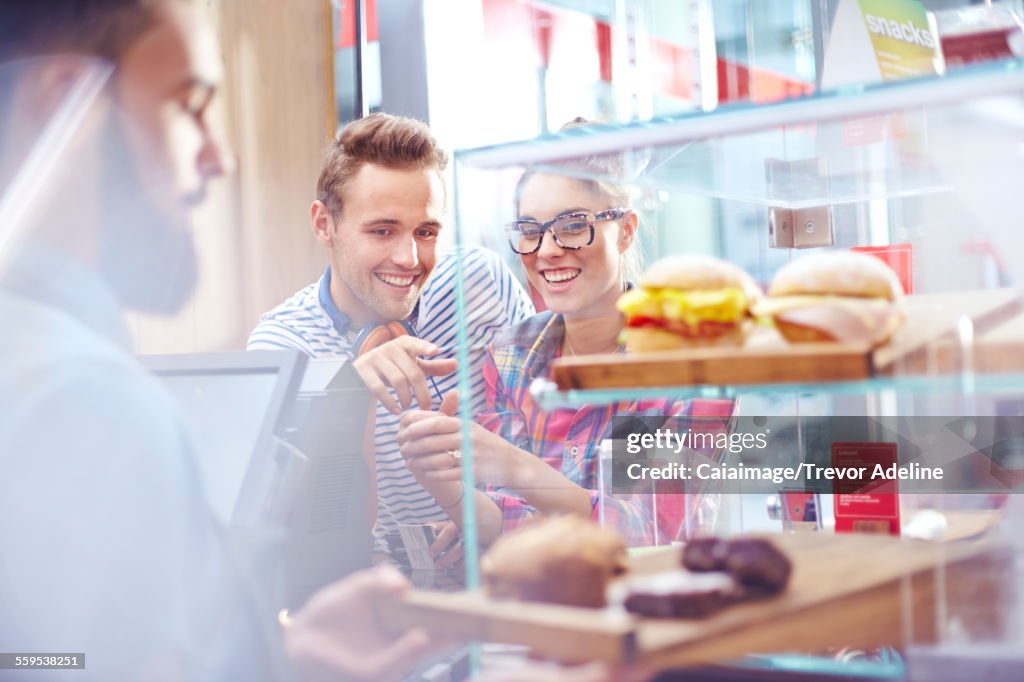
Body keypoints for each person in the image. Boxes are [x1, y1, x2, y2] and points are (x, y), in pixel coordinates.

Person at [0, 2, 430, 680]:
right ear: (65, 108)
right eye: (186, 105)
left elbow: (55, 659)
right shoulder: (83, 397)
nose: (217, 156)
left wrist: (277, 656)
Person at [397, 129, 732, 546]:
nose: (548, 249)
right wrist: (448, 485)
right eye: (530, 229)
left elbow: (652, 534)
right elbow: (506, 518)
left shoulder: (696, 360)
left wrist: (515, 468)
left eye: (573, 225)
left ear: (626, 231)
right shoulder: (510, 356)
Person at [247, 113, 534, 565]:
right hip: (378, 607)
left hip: (509, 578)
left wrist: (489, 515)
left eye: (426, 232)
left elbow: (540, 434)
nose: (409, 258)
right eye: (382, 231)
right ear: (324, 224)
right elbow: (288, 536)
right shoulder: (284, 348)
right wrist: (348, 393)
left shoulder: (480, 283)